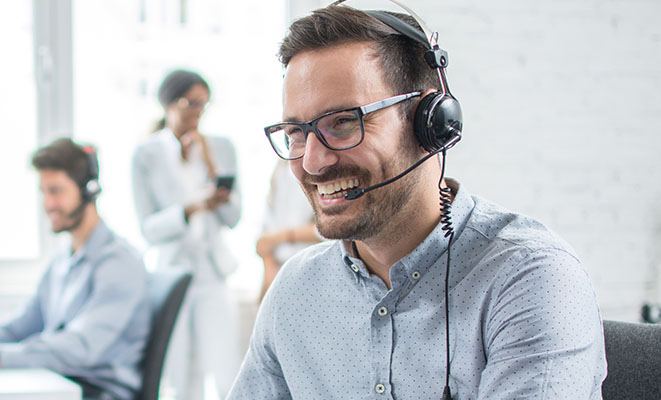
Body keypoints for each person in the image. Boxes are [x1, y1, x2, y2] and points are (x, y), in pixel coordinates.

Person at [228, 4, 606, 399]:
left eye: (343, 122)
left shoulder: (529, 278)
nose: (312, 161)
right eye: (295, 132)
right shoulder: (298, 291)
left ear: (430, 122)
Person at [0, 138, 151, 400]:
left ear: (89, 190)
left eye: (56, 191)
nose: (48, 204)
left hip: (97, 392)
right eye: (44, 192)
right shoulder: (62, 259)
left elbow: (81, 347)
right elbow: (19, 329)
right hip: (60, 383)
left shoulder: (119, 263)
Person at [132, 69, 241, 400]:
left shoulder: (221, 147)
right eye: (190, 103)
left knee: (228, 370)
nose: (197, 112)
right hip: (173, 274)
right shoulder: (146, 154)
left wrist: (210, 166)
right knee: (180, 376)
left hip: (213, 273)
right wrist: (190, 208)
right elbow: (148, 229)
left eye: (203, 105)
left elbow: (234, 217)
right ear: (167, 103)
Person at [255, 159, 324, 303]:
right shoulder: (280, 167)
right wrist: (269, 275)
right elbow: (264, 240)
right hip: (279, 270)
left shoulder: (318, 166)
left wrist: (281, 237)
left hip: (313, 272)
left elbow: (327, 229)